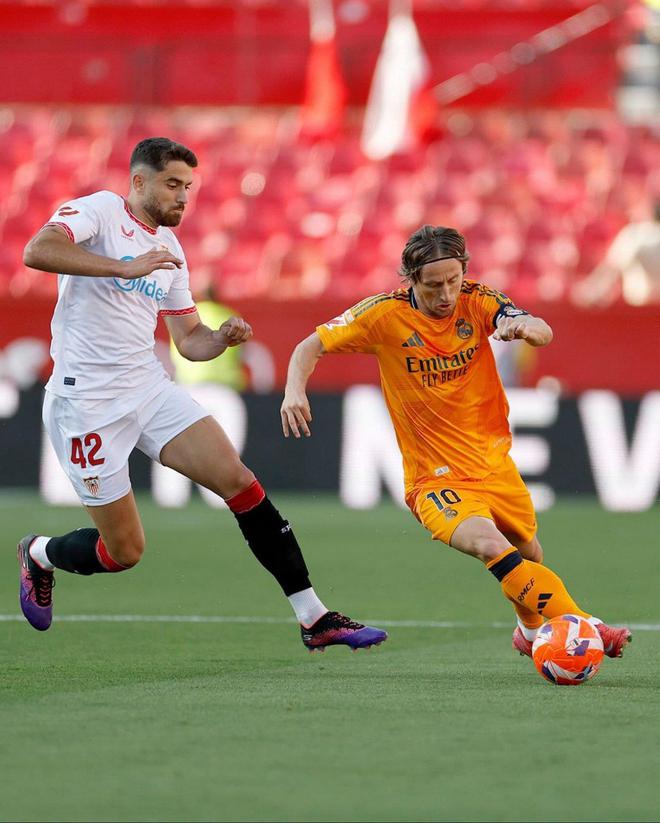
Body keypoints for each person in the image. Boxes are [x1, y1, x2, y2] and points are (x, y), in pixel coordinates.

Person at [18, 136, 387, 654]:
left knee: (239, 481)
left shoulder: (170, 250)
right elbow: (37, 250)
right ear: (139, 181)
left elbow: (189, 341)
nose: (183, 196)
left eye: (188, 187)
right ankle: (39, 553)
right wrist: (123, 267)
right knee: (123, 551)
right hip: (86, 403)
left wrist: (222, 338)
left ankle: (314, 617)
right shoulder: (100, 211)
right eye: (173, 184)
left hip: (146, 387)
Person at [281, 224, 631, 662]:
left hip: (494, 464)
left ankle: (528, 631)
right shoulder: (383, 315)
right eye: (433, 285)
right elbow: (309, 346)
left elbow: (541, 330)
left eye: (453, 280)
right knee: (491, 546)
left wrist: (523, 326)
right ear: (411, 280)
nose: (446, 294)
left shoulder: (478, 300)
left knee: (528, 556)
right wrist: (294, 391)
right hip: (435, 480)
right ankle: (589, 627)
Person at [572, 201, 660, 307]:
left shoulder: (637, 234)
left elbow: (613, 265)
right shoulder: (638, 234)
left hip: (642, 304)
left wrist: (592, 291)